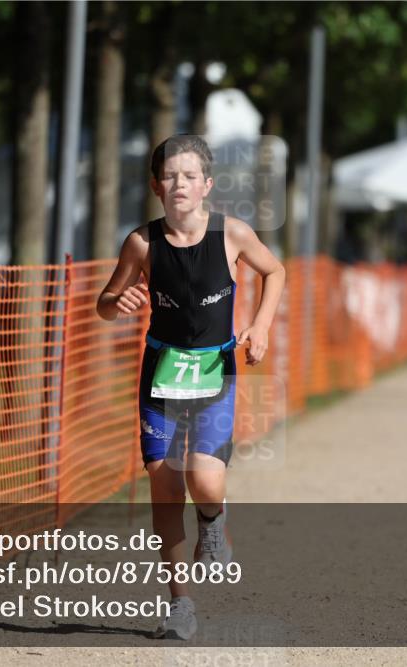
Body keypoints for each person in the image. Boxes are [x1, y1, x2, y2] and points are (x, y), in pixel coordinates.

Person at [95, 134, 286, 640]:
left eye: (189, 176)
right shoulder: (141, 243)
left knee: (203, 478)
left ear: (207, 185)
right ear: (156, 186)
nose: (179, 184)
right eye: (170, 176)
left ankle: (213, 519)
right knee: (164, 484)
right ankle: (181, 604)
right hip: (161, 372)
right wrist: (121, 301)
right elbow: (106, 302)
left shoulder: (233, 234)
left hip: (214, 371)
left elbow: (275, 271)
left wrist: (261, 326)